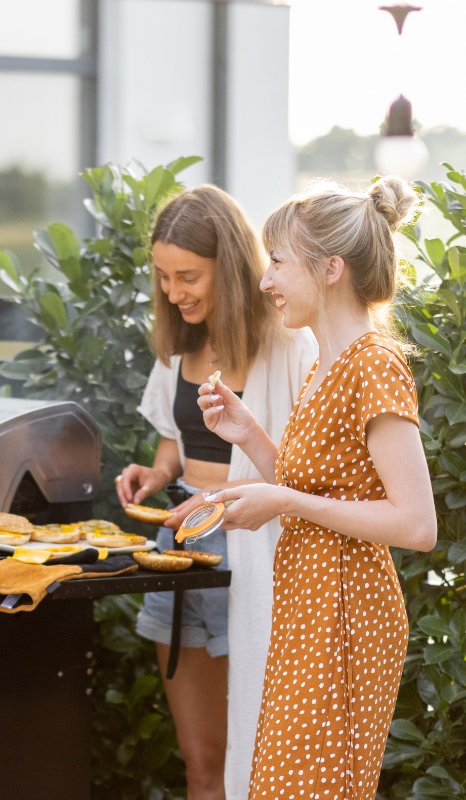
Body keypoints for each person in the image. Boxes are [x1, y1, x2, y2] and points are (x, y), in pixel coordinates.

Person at [200, 176, 437, 800]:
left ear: (330, 269)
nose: (265, 279)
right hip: (310, 605)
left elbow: (416, 524)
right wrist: (250, 435)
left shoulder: (373, 364)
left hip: (348, 612)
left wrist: (282, 501)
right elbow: (330, 493)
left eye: (278, 261)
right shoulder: (329, 364)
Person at [115, 185, 317, 800]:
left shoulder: (289, 342)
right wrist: (155, 473)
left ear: (230, 267)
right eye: (164, 277)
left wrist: (220, 498)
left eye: (188, 277)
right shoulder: (181, 343)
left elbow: (306, 476)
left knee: (254, 756)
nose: (174, 293)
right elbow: (178, 437)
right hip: (178, 542)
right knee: (201, 761)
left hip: (252, 548)